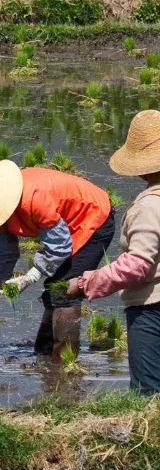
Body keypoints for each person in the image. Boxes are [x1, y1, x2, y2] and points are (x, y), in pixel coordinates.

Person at [0, 160, 115, 362]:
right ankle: (44, 354)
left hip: (92, 216)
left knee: (65, 290)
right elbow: (4, 253)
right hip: (64, 224)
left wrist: (30, 277)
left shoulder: (34, 198)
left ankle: (63, 364)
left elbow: (59, 246)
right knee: (53, 289)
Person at [66, 110, 160, 394]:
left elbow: (136, 265)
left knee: (148, 392)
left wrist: (86, 283)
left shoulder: (149, 205)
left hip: (152, 309)